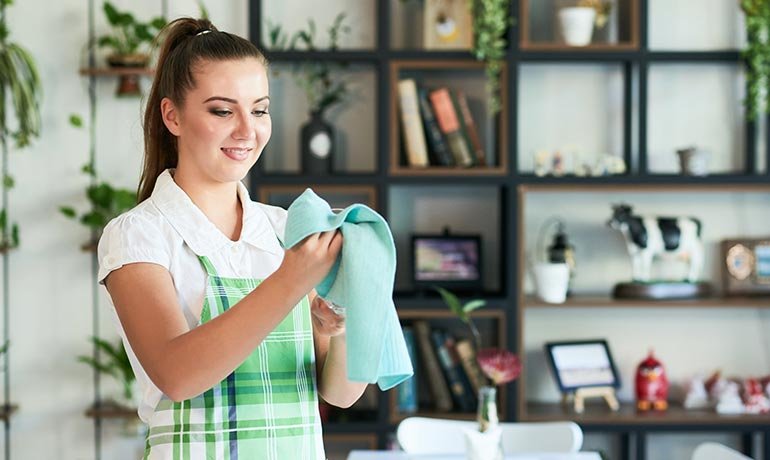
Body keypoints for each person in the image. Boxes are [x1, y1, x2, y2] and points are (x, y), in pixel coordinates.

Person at [97, 17, 367, 459]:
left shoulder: (285, 230)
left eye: (259, 110)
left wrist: (339, 330)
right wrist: (291, 280)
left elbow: (340, 393)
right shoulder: (137, 236)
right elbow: (177, 375)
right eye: (223, 111)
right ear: (172, 116)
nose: (247, 130)